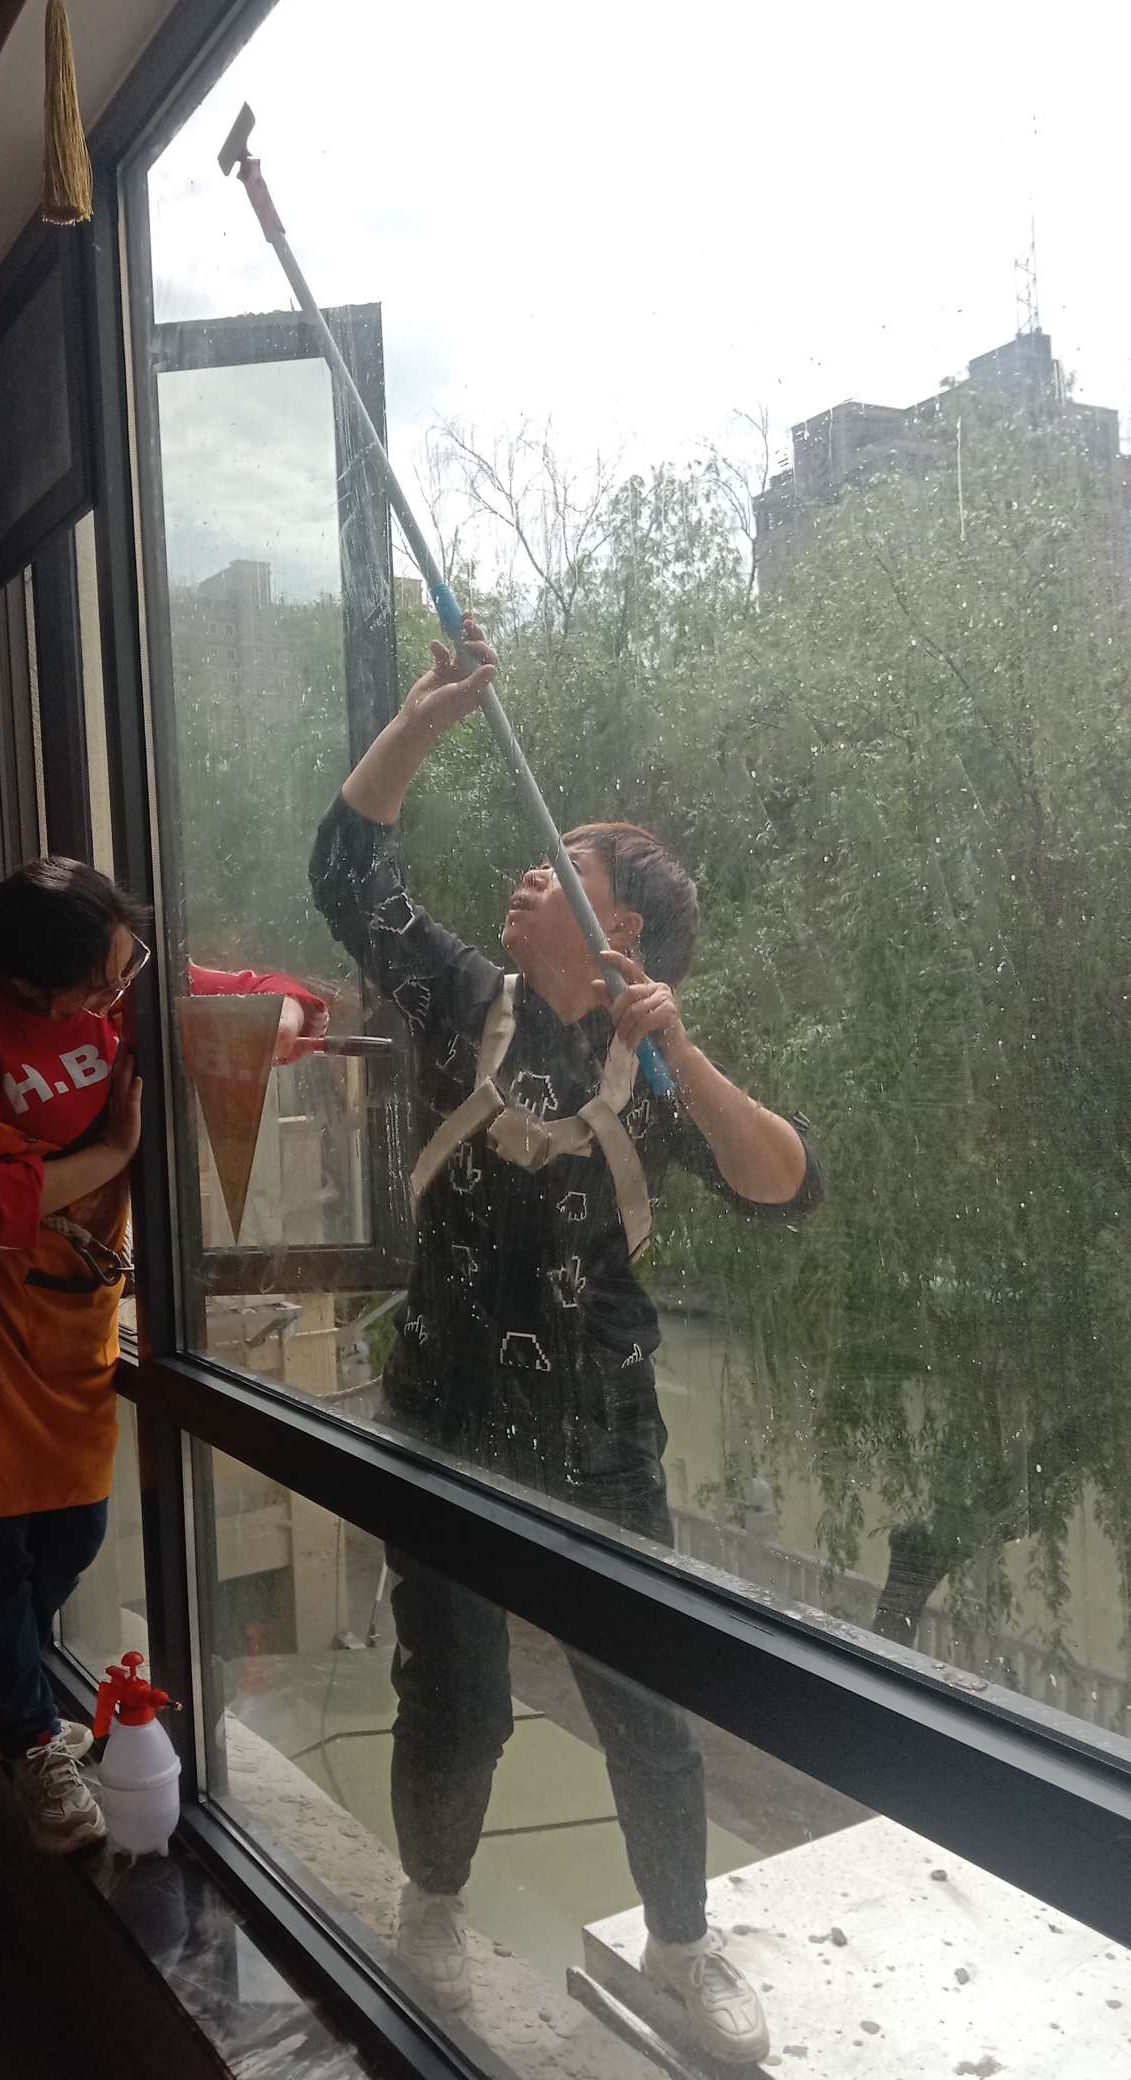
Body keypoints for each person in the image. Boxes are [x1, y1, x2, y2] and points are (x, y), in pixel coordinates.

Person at [309, 618, 823, 2064]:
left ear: (623, 934)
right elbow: (349, 877)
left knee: (644, 1702)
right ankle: (429, 1909)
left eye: (567, 867)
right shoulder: (462, 1000)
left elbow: (785, 1185)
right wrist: (428, 715)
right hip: (439, 1417)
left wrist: (680, 1045)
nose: (532, 874)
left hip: (599, 1443)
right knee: (453, 1701)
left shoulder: (652, 1073)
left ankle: (681, 1949)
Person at [0, 856, 326, 1853]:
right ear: (27, 981)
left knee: (76, 1530)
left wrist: (278, 1018)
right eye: (100, 985)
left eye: (128, 967)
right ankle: (31, 1742)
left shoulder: (115, 983)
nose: (119, 994)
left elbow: (262, 994)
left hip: (67, 1304)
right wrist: (108, 1154)